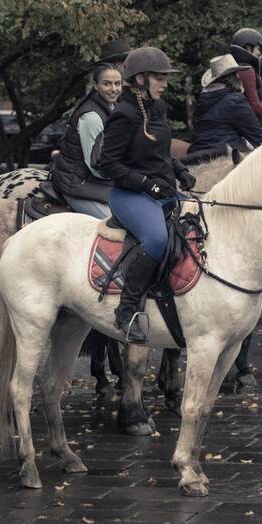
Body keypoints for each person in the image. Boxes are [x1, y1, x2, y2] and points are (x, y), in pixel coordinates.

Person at [97, 47, 195, 343]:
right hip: (129, 195)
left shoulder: (158, 108)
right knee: (156, 239)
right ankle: (126, 312)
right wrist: (145, 184)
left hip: (162, 190)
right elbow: (107, 165)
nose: (164, 83)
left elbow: (160, 152)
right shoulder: (124, 114)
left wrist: (180, 171)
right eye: (159, 78)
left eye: (165, 78)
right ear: (140, 78)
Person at [51, 63, 122, 218]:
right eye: (107, 84)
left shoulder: (113, 108)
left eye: (117, 83)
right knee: (116, 223)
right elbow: (96, 166)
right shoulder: (92, 117)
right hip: (78, 184)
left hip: (98, 183)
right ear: (95, 86)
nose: (114, 89)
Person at [187, 55, 262, 159]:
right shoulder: (235, 100)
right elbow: (257, 137)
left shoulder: (202, 100)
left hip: (196, 155)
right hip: (224, 154)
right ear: (234, 77)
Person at [227, 28, 262, 132]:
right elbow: (255, 105)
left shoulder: (231, 68)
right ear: (248, 47)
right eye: (258, 49)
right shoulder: (246, 70)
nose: (260, 53)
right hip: (243, 125)